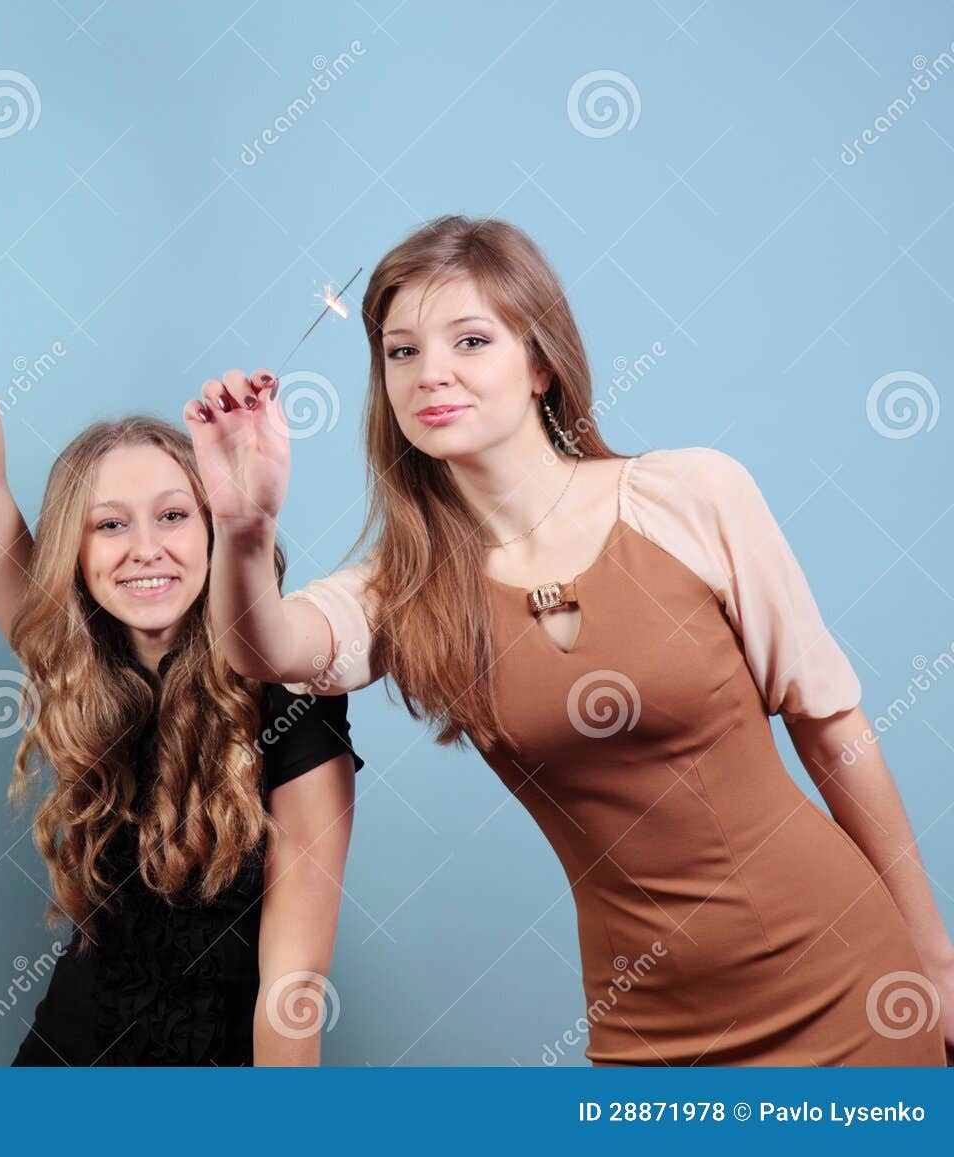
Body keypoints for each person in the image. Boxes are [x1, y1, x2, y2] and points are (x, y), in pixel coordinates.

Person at [189, 215, 954, 1065]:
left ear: (540, 362)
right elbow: (264, 648)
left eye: (470, 340)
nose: (430, 372)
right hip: (651, 1025)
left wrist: (936, 958)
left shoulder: (690, 495)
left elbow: (834, 730)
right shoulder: (402, 586)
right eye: (401, 351)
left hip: (848, 980)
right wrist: (244, 529)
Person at [0, 134, 361, 1065]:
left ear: (216, 526)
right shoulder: (73, 652)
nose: (145, 548)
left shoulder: (294, 690)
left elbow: (293, 987)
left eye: (174, 515)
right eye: (109, 525)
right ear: (76, 556)